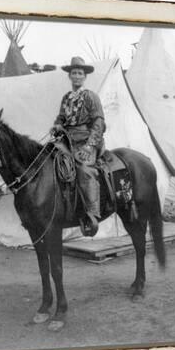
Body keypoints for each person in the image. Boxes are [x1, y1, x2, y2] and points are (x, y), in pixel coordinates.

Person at [51, 56, 106, 236]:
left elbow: (99, 123)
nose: (76, 76)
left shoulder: (91, 96)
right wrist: (57, 125)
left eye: (79, 73)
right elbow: (61, 117)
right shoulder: (66, 98)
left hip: (87, 140)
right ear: (69, 76)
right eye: (73, 73)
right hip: (67, 140)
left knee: (84, 169)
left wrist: (89, 146)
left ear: (84, 76)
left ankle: (92, 214)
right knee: (49, 159)